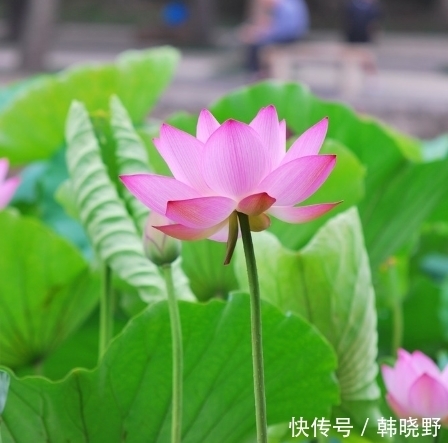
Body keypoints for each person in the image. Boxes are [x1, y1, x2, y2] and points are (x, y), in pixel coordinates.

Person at [239, 0, 310, 75]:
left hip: (289, 36)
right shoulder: (289, 3)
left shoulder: (283, 7)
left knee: (255, 45)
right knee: (257, 42)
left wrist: (258, 34)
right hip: (294, 34)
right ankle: (260, 72)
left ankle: (256, 74)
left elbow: (282, 31)